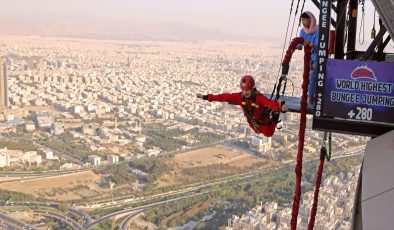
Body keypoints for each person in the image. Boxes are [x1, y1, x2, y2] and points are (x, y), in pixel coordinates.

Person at [196, 75, 287, 137]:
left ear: (251, 88)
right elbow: (224, 97)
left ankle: (275, 118)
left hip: (264, 122)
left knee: (268, 134)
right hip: (253, 123)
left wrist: (279, 107)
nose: (244, 92)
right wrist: (206, 97)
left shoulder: (259, 97)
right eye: (243, 89)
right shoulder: (239, 96)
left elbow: (268, 102)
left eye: (247, 90)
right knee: (257, 132)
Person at [297, 11, 319, 104]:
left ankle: (310, 98)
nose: (303, 21)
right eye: (302, 20)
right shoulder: (303, 31)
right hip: (308, 59)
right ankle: (306, 97)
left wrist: (312, 45)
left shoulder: (318, 30)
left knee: (313, 76)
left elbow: (318, 44)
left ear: (310, 20)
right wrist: (297, 45)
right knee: (307, 77)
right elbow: (300, 43)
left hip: (317, 57)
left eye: (304, 19)